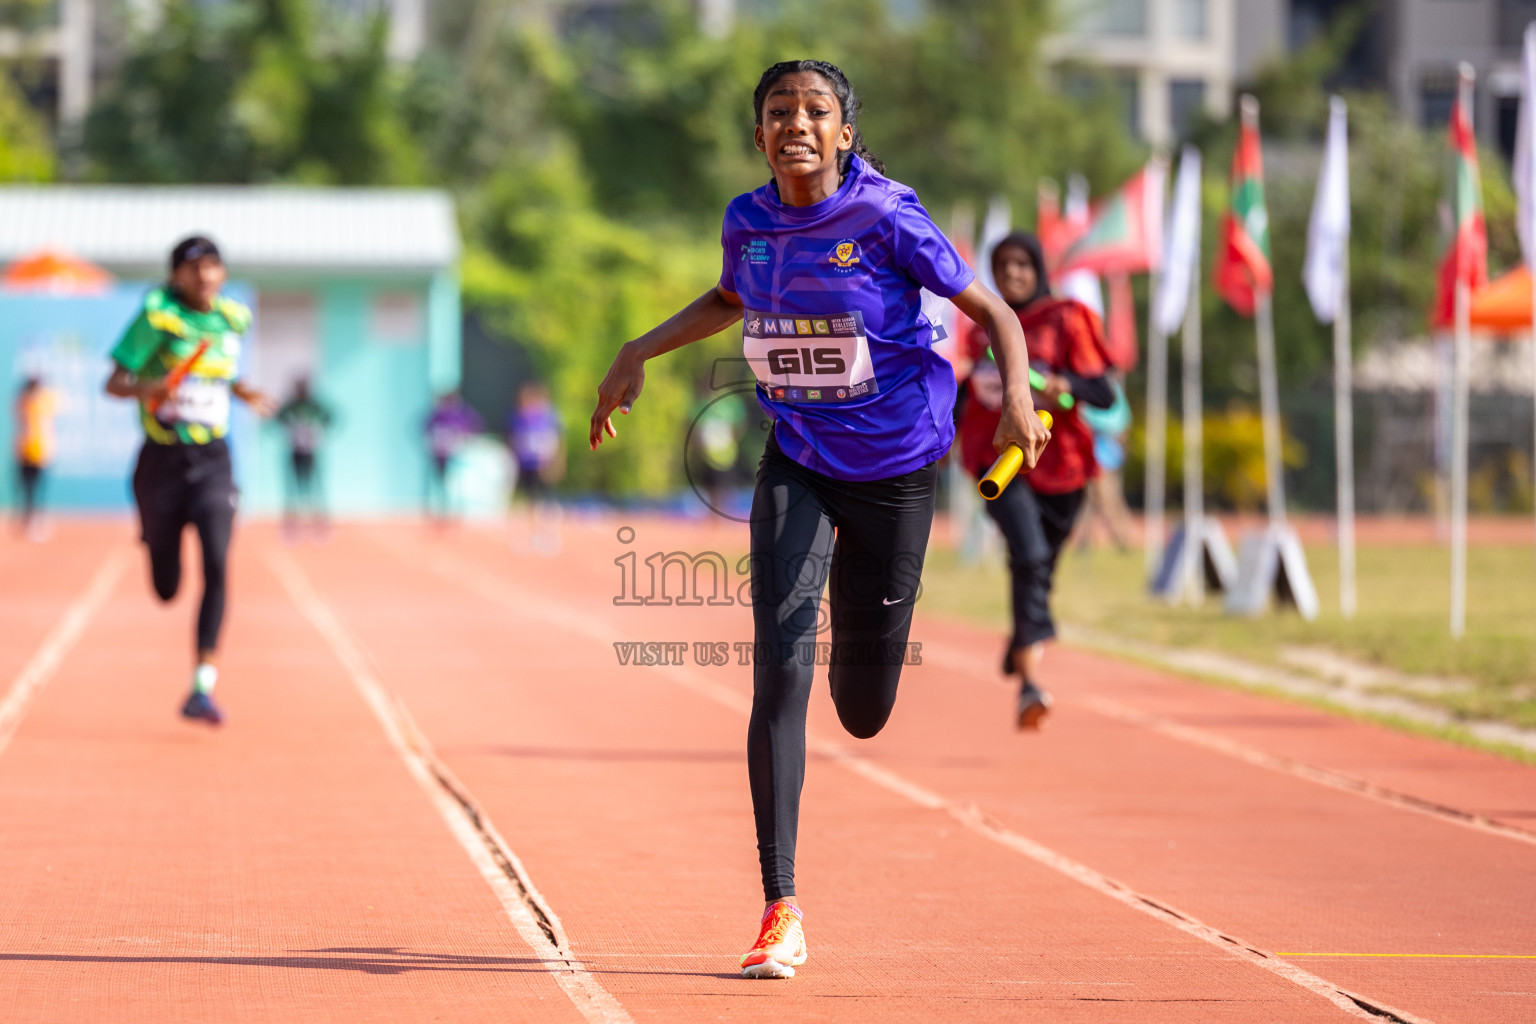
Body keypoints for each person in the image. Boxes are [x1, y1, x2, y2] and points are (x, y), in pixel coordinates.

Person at [589, 60, 1049, 980]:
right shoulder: (748, 221)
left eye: (815, 110)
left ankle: (863, 622)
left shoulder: (887, 215)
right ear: (758, 135)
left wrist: (1016, 401)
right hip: (797, 458)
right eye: (778, 112)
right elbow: (731, 297)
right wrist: (637, 349)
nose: (796, 122)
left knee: (864, 709)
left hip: (898, 468)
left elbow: (993, 309)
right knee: (778, 670)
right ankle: (780, 904)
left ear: (845, 131)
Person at [104, 236, 276, 726]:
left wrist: (241, 391)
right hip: (162, 462)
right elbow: (114, 382)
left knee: (218, 562)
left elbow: (217, 376)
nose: (205, 277)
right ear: (176, 275)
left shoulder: (231, 319)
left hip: (214, 461)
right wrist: (148, 387)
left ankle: (201, 686)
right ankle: (156, 541)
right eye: (195, 268)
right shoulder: (156, 317)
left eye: (214, 267)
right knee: (166, 586)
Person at [955, 231, 1116, 730]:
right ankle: (1030, 678)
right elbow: (964, 392)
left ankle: (1022, 640)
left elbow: (1104, 393)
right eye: (1002, 267)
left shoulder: (1067, 319)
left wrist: (1065, 385)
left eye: (1022, 265)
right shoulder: (984, 325)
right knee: (1027, 555)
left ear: (1039, 269)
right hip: (999, 463)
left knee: (1038, 566)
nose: (1012, 275)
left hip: (1061, 464)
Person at [1074, 371, 1134, 552]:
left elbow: (1115, 422)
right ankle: (1085, 540)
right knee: (1090, 499)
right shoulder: (1109, 387)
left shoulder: (1101, 388)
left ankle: (1122, 537)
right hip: (1098, 452)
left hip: (1102, 454)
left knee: (1105, 497)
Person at [505, 381, 565, 552]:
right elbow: (512, 439)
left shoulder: (548, 417)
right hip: (526, 464)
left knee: (547, 501)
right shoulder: (518, 418)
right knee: (530, 500)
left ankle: (549, 535)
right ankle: (532, 534)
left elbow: (556, 440)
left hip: (544, 464)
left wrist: (556, 461)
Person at [276, 377, 333, 543]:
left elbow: (330, 416)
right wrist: (288, 429)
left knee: (317, 489)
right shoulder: (291, 405)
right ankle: (291, 530)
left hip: (312, 452)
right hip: (295, 451)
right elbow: (279, 417)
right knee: (291, 491)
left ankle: (321, 528)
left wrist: (320, 431)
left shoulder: (314, 405)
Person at [423, 391, 483, 524]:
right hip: (439, 456)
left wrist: (466, 441)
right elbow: (425, 431)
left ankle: (455, 513)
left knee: (456, 485)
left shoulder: (460, 415)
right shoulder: (436, 416)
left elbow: (477, 426)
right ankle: (442, 512)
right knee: (441, 485)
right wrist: (431, 445)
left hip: (456, 457)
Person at [13, 376, 58, 541]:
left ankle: (37, 519)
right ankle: (28, 521)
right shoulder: (24, 402)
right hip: (26, 452)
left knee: (39, 490)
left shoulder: (43, 402)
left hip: (42, 453)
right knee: (28, 490)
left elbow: (55, 404)